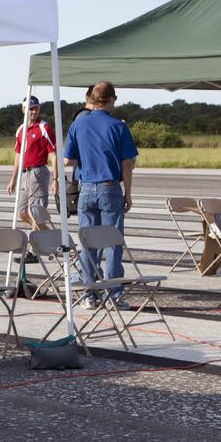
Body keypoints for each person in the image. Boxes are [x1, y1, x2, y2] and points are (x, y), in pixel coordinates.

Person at [62, 81, 139, 307]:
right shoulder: (119, 126)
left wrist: (88, 158)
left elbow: (67, 160)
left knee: (88, 243)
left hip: (86, 189)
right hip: (109, 188)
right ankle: (112, 295)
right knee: (113, 243)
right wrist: (129, 193)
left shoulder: (78, 125)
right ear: (110, 99)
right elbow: (127, 164)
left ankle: (89, 294)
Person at [6, 95, 57, 237]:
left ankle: (32, 251)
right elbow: (18, 155)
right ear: (23, 109)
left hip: (38, 173)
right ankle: (57, 239)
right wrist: (13, 179)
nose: (34, 112)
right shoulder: (21, 130)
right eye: (31, 109)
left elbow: (53, 155)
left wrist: (55, 179)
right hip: (24, 174)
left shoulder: (44, 128)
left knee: (35, 214)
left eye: (36, 109)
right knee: (22, 214)